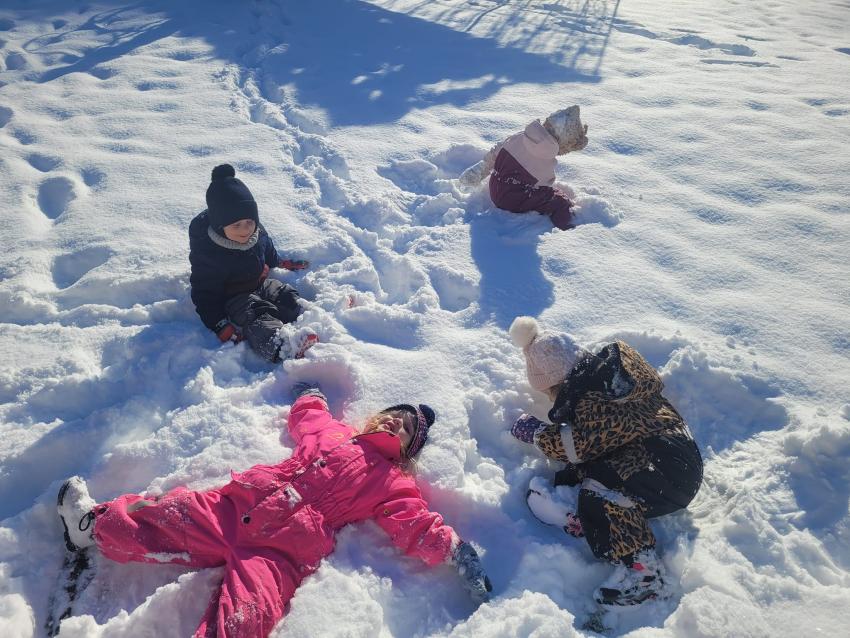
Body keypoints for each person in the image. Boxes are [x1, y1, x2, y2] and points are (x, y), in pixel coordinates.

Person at [56, 387, 492, 638]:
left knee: (247, 616)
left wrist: (456, 552)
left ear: (409, 450)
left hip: (281, 552)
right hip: (237, 507)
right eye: (397, 416)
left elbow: (417, 524)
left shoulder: (394, 482)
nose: (399, 423)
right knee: (169, 514)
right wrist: (311, 395)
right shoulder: (335, 433)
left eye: (409, 429)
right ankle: (92, 527)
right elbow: (308, 417)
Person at [507, 316, 702, 607]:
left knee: (601, 492)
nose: (550, 400)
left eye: (548, 393)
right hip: (672, 457)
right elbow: (603, 441)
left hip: (665, 470)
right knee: (592, 470)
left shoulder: (592, 398)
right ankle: (581, 510)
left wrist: (538, 434)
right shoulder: (611, 380)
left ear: (557, 384)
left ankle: (645, 573)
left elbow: (577, 445)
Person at [189, 164, 317, 362]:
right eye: (236, 225)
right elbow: (203, 294)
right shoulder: (211, 254)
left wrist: (280, 262)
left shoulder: (257, 233)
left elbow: (267, 249)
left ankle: (310, 316)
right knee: (257, 314)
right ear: (220, 227)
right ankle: (280, 346)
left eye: (250, 222)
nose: (245, 230)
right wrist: (219, 324)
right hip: (234, 297)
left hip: (260, 282)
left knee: (285, 294)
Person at [458, 106, 589, 230]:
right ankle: (567, 227)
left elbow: (496, 152)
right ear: (563, 142)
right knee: (558, 201)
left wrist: (480, 169)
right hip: (511, 199)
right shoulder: (546, 156)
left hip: (495, 187)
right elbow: (546, 183)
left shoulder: (520, 136)